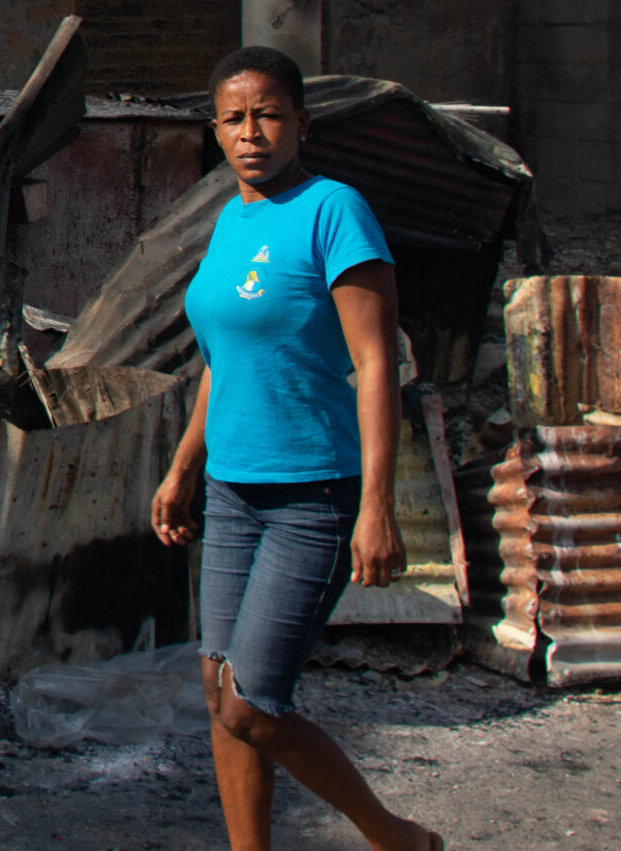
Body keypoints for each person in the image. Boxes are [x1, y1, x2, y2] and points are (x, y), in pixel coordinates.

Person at [152, 46, 441, 851]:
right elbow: (222, 360)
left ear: (301, 122)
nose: (252, 133)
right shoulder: (229, 218)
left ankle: (396, 839)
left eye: (269, 113)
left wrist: (377, 507)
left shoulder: (334, 211)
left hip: (311, 493)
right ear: (215, 129)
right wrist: (183, 466)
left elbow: (378, 362)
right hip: (232, 492)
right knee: (219, 690)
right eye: (234, 118)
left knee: (252, 700)